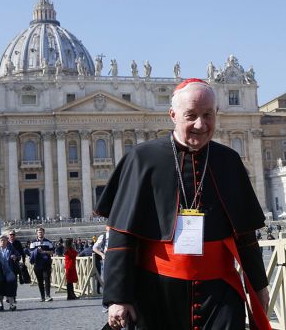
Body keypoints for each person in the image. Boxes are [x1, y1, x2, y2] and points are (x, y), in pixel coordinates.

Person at [95, 78, 270, 330]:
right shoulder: (142, 159)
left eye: (208, 115)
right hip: (156, 292)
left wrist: (259, 288)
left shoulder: (229, 161)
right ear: (173, 115)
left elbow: (246, 236)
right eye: (191, 115)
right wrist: (118, 298)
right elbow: (123, 235)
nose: (201, 124)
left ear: (216, 114)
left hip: (220, 293)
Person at [0, 235, 20, 311]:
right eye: (1, 240)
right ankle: (1, 304)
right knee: (0, 290)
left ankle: (11, 305)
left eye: (4, 240)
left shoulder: (11, 249)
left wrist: (15, 257)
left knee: (10, 289)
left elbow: (18, 255)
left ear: (7, 241)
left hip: (9, 272)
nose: (2, 242)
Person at [29, 227, 54, 302]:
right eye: (39, 232)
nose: (40, 233)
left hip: (46, 264)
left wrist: (44, 251)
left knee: (47, 279)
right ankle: (42, 296)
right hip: (37, 264)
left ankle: (48, 295)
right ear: (36, 233)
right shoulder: (33, 242)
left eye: (41, 232)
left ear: (44, 233)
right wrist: (37, 251)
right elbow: (31, 253)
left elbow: (52, 252)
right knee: (40, 281)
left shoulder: (48, 242)